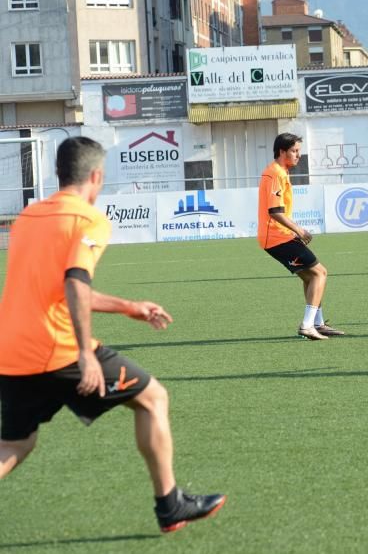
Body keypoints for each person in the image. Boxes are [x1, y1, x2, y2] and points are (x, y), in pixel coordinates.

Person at [0, 137, 225, 533]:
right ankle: (170, 505)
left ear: (58, 173)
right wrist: (86, 355)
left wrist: (128, 306)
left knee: (16, 444)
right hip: (60, 350)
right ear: (97, 176)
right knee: (153, 398)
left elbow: (59, 288)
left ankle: (171, 504)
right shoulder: (88, 220)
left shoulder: (28, 217)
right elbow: (74, 283)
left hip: (12, 351)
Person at [258, 133, 344, 340]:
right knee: (319, 273)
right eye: (294, 151)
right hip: (277, 237)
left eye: (299, 151)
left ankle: (317, 323)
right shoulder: (275, 173)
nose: (298, 156)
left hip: (279, 235)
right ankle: (307, 325)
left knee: (309, 276)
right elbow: (274, 211)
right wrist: (299, 230)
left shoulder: (280, 172)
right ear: (282, 151)